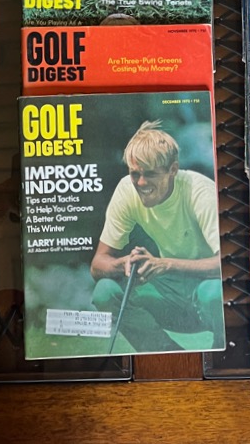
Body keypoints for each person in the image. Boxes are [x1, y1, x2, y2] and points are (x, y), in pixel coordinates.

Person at [90, 120, 223, 353]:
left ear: (173, 169)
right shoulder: (126, 190)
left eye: (150, 174)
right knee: (105, 292)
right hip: (172, 297)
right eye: (135, 174)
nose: (141, 183)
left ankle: (221, 356)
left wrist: (165, 264)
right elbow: (98, 264)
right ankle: (171, 356)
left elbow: (230, 265)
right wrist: (125, 264)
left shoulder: (200, 192)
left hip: (210, 295)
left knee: (213, 293)